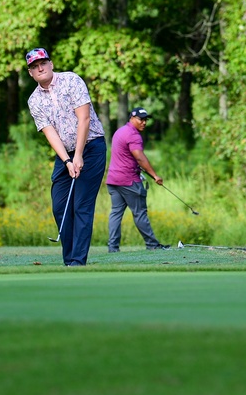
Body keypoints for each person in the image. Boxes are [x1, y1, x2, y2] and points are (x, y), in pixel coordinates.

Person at [25, 47, 107, 266]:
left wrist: (78, 155)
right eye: (34, 66)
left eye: (43, 63)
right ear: (31, 73)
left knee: (81, 205)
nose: (40, 68)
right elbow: (50, 133)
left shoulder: (71, 81)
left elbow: (85, 119)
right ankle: (69, 259)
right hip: (65, 153)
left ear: (51, 64)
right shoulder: (34, 101)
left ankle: (77, 261)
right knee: (60, 205)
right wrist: (68, 160)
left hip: (91, 147)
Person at [105, 107, 170, 252]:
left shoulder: (120, 131)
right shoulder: (133, 135)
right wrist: (154, 175)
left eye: (146, 119)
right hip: (128, 180)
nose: (144, 122)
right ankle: (152, 245)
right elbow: (139, 157)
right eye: (141, 119)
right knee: (140, 212)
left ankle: (113, 248)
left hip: (113, 179)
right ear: (132, 118)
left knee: (116, 213)